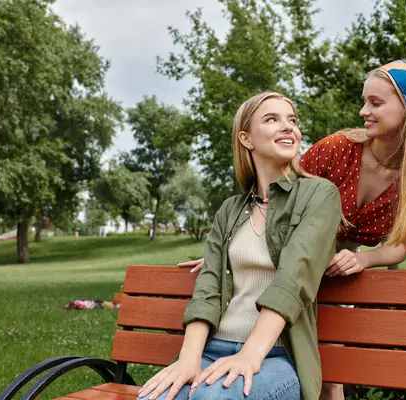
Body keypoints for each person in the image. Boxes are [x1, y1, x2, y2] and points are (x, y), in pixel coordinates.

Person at [178, 60, 406, 399]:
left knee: (330, 368)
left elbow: (405, 243)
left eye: (376, 103)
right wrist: (237, 251)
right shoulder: (339, 148)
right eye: (364, 100)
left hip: (341, 268)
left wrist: (363, 260)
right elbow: (280, 192)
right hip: (293, 251)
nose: (364, 110)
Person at [138, 91, 342, 400]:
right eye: (272, 119)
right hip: (212, 350)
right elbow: (209, 286)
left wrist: (250, 354)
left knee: (212, 399)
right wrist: (189, 358)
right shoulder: (229, 210)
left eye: (292, 120)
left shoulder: (319, 195)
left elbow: (294, 278)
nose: (288, 127)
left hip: (276, 356)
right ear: (246, 139)